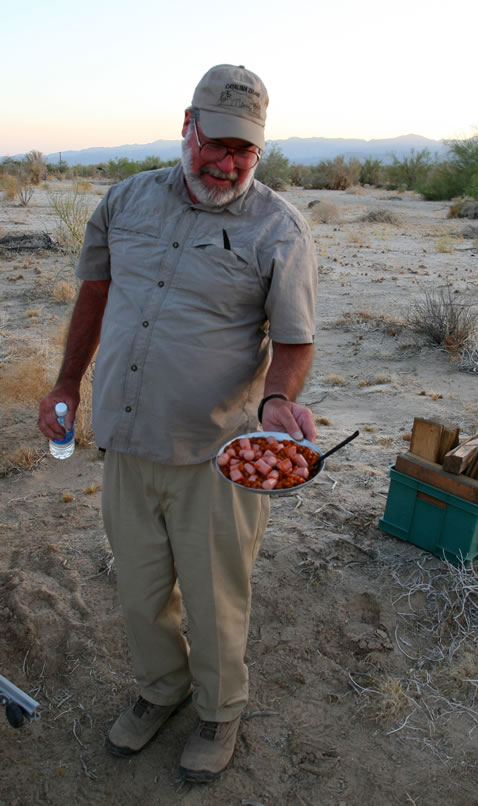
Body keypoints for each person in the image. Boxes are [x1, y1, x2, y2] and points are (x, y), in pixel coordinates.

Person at [38, 64, 317, 782]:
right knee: (138, 586)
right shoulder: (126, 201)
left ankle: (220, 710)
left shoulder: (277, 228)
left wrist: (279, 399)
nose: (226, 163)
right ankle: (161, 689)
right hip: (128, 440)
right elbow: (95, 294)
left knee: (216, 595)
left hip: (217, 455)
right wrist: (67, 382)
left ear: (259, 150)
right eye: (216, 142)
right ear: (186, 126)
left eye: (244, 151)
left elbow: (292, 341)